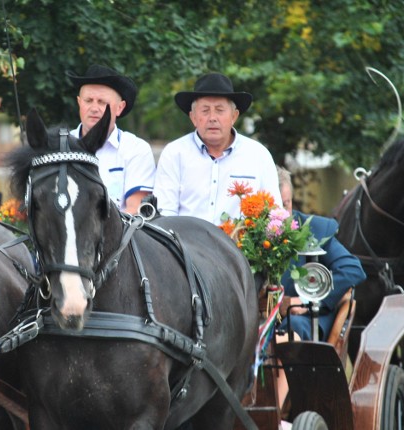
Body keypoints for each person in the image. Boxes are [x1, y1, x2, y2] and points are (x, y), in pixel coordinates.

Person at [274, 166, 366, 415]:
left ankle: (273, 416)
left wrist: (302, 299)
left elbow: (353, 269)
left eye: (286, 204)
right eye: (274, 207)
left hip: (307, 318)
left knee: (285, 338)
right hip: (260, 320)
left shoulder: (313, 229)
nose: (282, 213)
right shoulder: (248, 233)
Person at [154, 72, 282, 225]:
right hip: (185, 245)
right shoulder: (175, 153)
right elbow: (164, 214)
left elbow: (274, 215)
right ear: (193, 117)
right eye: (205, 110)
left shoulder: (258, 155)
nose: (212, 118)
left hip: (241, 247)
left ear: (234, 116)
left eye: (220, 110)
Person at [66, 65, 156, 214]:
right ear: (79, 102)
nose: (94, 108)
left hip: (118, 236)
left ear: (120, 108)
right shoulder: (61, 147)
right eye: (88, 100)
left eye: (102, 102)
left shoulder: (136, 149)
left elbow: (134, 211)